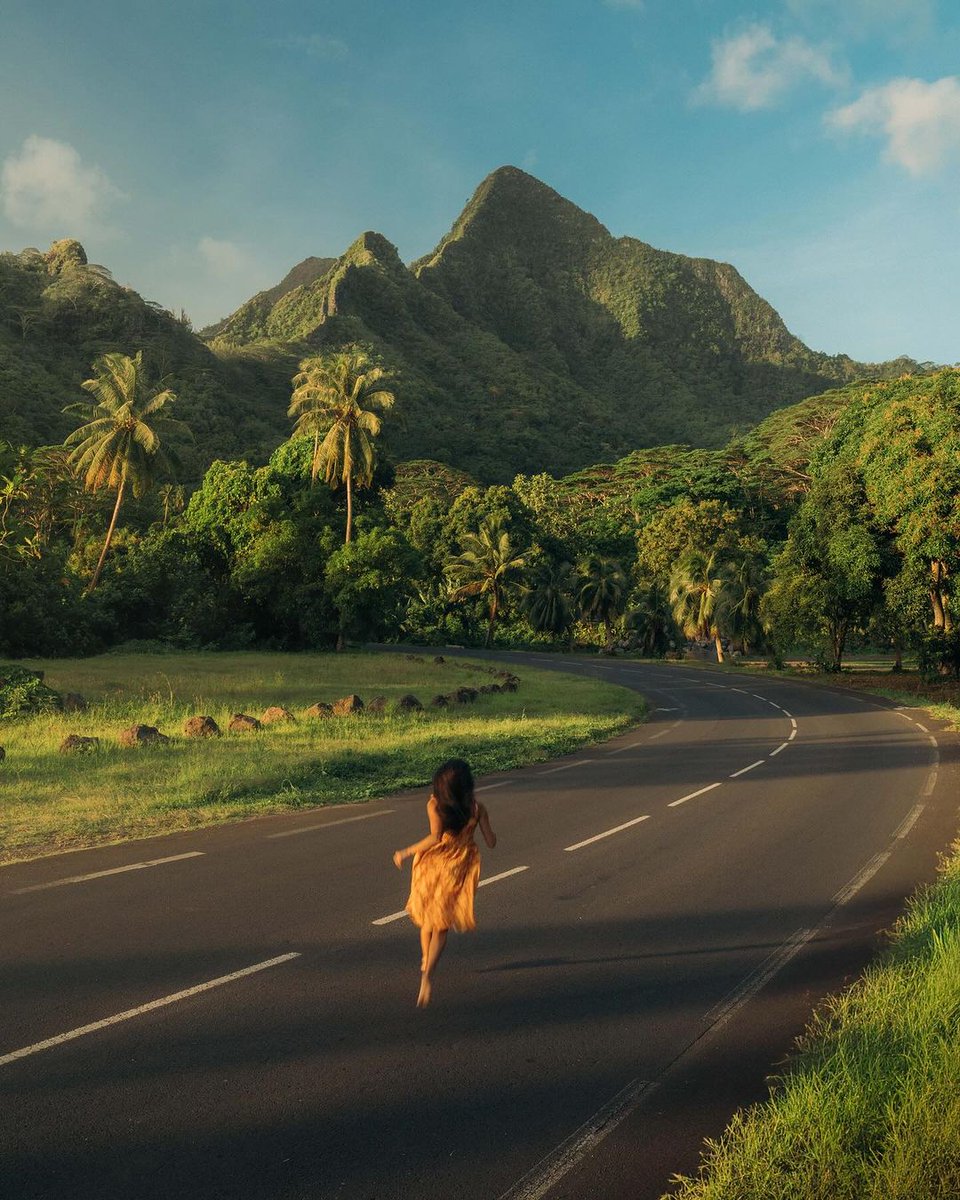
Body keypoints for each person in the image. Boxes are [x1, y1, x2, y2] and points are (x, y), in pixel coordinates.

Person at [392, 758, 497, 1007]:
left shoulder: (435, 805)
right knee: (441, 926)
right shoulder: (477, 808)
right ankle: (428, 973)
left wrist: (405, 852)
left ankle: (425, 960)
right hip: (457, 868)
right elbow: (491, 841)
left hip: (431, 866)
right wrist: (484, 832)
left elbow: (434, 837)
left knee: (427, 920)